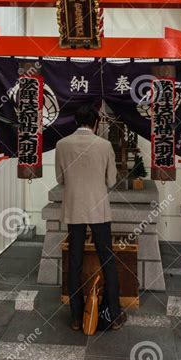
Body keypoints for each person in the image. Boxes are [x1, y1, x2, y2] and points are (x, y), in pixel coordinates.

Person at [55, 105, 126, 331]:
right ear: (95, 123)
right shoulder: (104, 146)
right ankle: (113, 315)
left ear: (76, 122)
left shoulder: (61, 144)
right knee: (107, 259)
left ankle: (77, 317)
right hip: (99, 209)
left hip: (74, 207)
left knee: (74, 261)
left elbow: (60, 178)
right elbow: (111, 180)